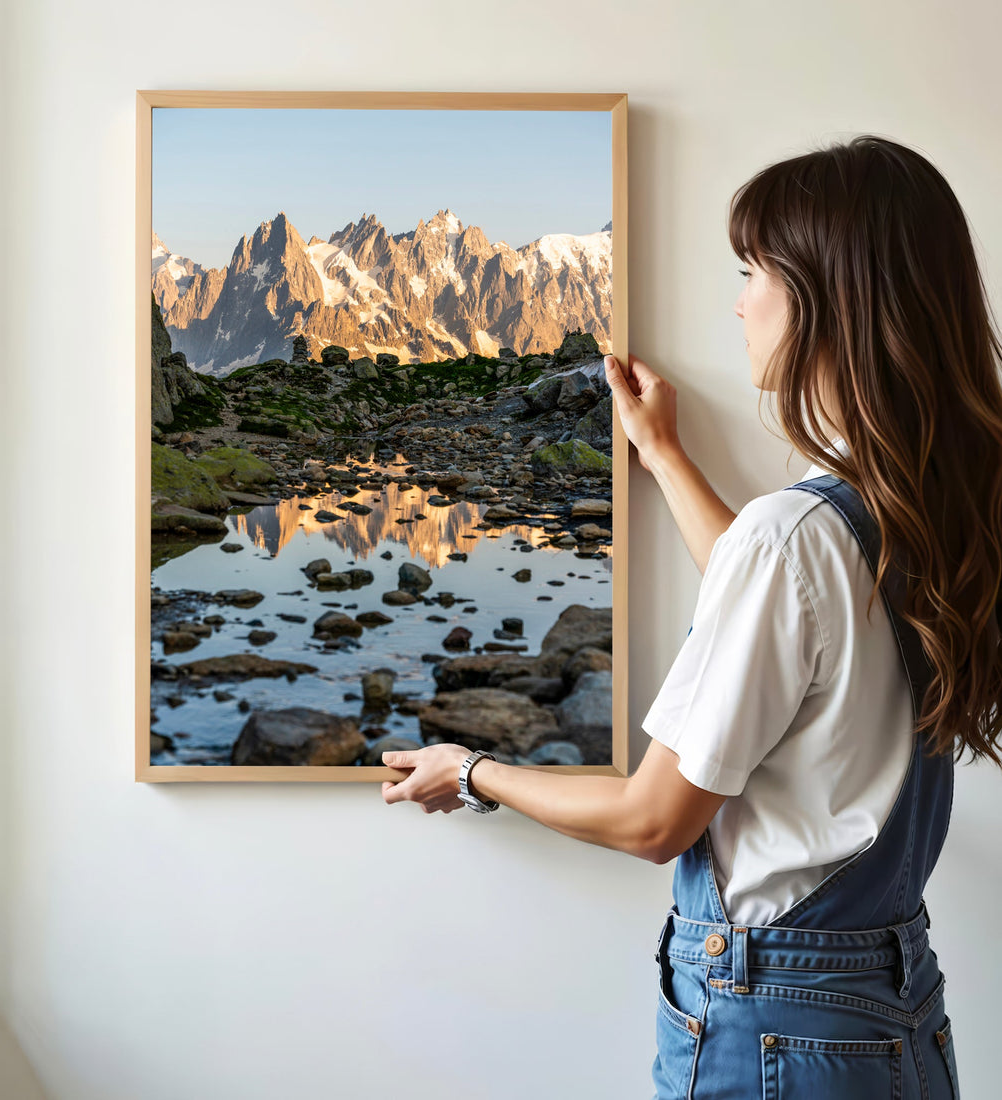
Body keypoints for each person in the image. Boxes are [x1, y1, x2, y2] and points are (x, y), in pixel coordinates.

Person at [379, 134, 1002, 1098]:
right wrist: (665, 455)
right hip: (892, 1016)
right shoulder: (925, 510)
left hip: (775, 1029)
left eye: (754, 273)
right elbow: (787, 620)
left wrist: (470, 771)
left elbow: (652, 820)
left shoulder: (797, 536)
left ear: (827, 300)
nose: (740, 302)